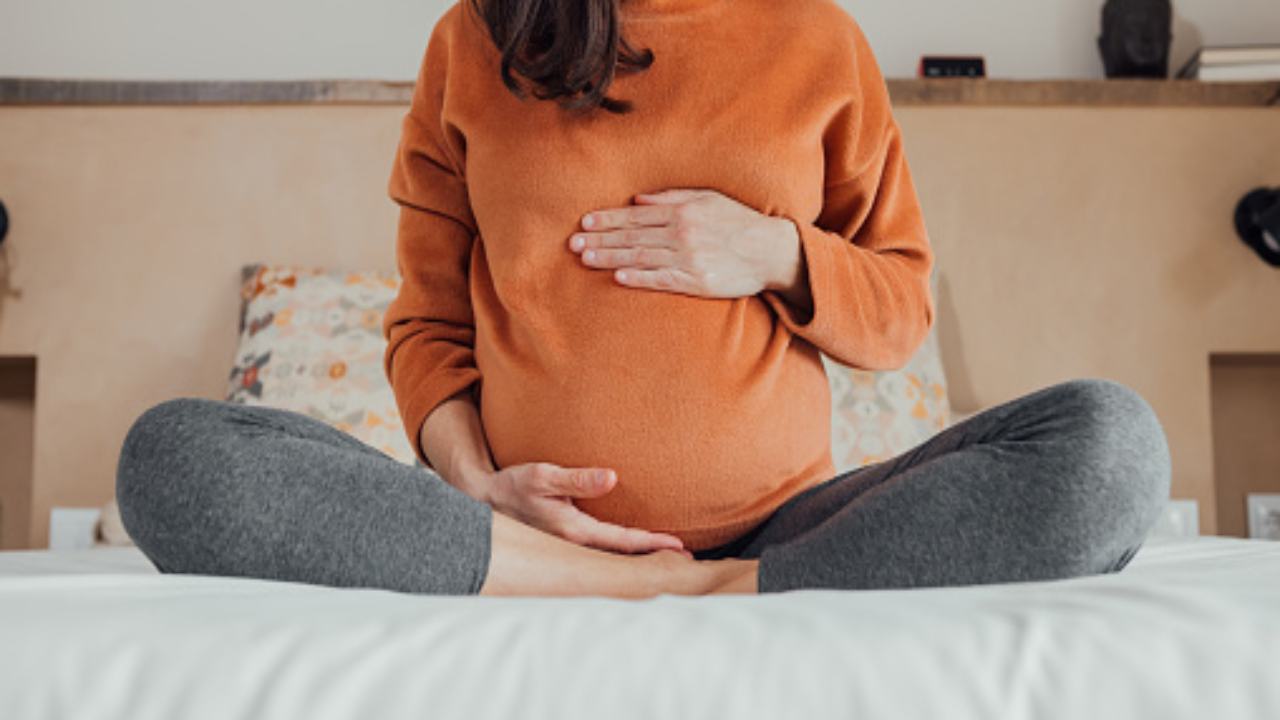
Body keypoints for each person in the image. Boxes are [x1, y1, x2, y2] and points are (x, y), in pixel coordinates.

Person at [115, 0, 1172, 597]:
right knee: (172, 459)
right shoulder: (471, 42)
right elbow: (428, 326)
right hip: (513, 537)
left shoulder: (819, 42)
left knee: (1112, 449)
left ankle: (735, 584)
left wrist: (771, 253)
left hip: (786, 529)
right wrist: (474, 482)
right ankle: (578, 577)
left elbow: (897, 308)